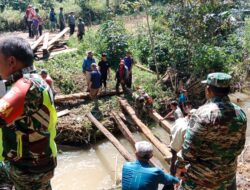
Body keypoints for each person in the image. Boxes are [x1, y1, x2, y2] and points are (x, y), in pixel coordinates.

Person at [0, 37, 57, 190]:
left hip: (29, 169)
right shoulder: (37, 80)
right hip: (37, 161)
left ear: (11, 62)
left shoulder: (26, 87)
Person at [176, 72, 247, 190]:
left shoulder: (203, 114)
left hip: (201, 179)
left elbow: (189, 150)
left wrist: (180, 166)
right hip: (227, 176)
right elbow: (240, 146)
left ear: (208, 89)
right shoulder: (240, 113)